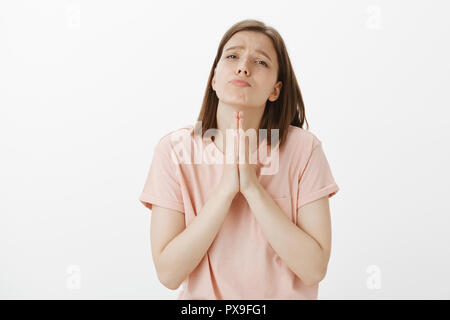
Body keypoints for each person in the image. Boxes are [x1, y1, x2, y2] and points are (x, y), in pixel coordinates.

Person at [138, 19, 339, 300]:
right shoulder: (174, 150)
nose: (243, 67)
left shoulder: (303, 149)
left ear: (275, 90)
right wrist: (225, 191)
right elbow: (169, 274)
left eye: (261, 62)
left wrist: (253, 188)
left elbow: (314, 269)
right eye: (232, 56)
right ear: (214, 78)